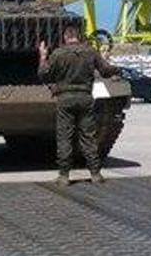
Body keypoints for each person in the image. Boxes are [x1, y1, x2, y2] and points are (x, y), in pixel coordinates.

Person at [38, 24, 121, 185]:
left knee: (65, 137)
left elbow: (44, 75)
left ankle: (64, 176)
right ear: (79, 36)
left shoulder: (58, 54)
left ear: (65, 37)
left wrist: (42, 56)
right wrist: (110, 62)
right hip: (85, 97)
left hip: (65, 99)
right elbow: (105, 71)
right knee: (88, 136)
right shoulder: (90, 52)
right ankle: (95, 174)